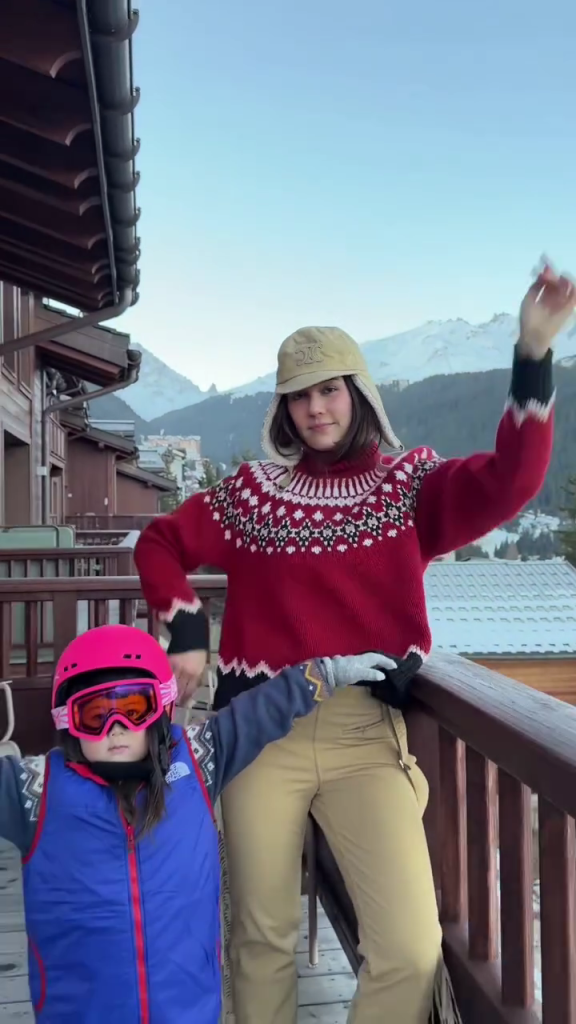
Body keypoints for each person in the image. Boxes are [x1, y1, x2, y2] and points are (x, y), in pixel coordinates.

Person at [134, 265, 575, 1024]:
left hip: (366, 736)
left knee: (410, 947)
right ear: (283, 408)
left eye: (330, 389)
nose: (315, 408)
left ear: (359, 394)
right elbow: (161, 543)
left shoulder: (409, 488)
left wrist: (532, 352)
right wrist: (188, 630)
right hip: (259, 734)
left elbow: (512, 481)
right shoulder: (251, 495)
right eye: (299, 395)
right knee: (260, 939)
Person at [0, 623, 391, 1024]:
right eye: (95, 714)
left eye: (133, 708)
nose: (115, 728)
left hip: (187, 1010)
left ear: (161, 706)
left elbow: (258, 714)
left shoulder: (200, 759)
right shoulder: (33, 791)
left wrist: (324, 675)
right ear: (68, 720)